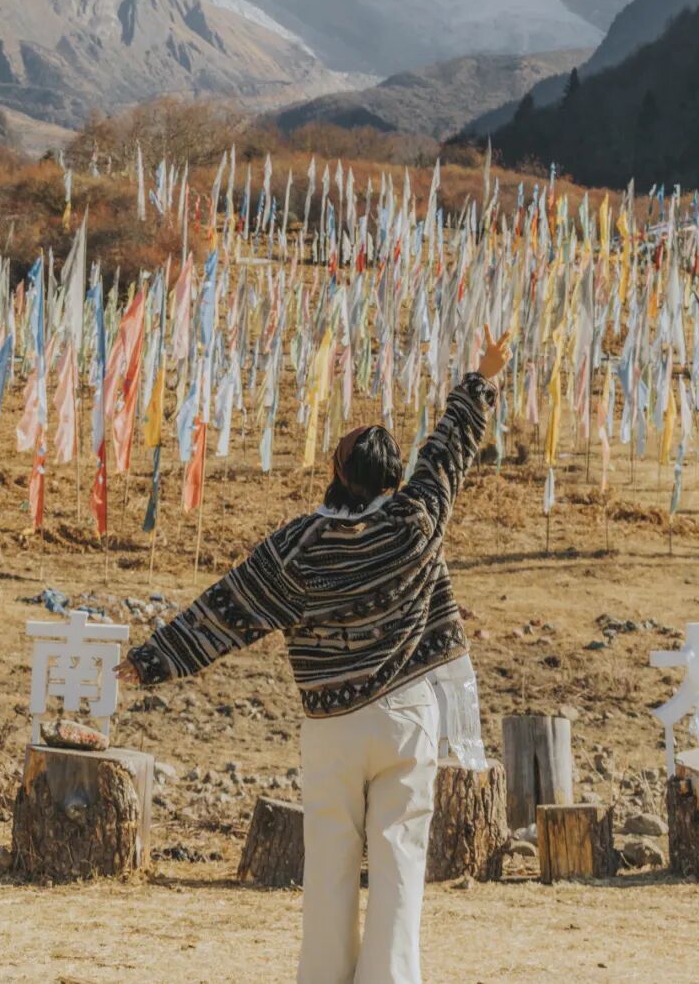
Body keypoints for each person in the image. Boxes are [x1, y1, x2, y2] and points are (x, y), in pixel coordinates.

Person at [116, 325, 512, 983]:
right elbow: (449, 449)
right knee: (399, 858)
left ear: (337, 474)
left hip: (331, 724)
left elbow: (228, 608)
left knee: (329, 860)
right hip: (410, 717)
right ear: (392, 476)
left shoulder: (298, 547)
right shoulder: (416, 521)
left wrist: (157, 657)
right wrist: (482, 377)